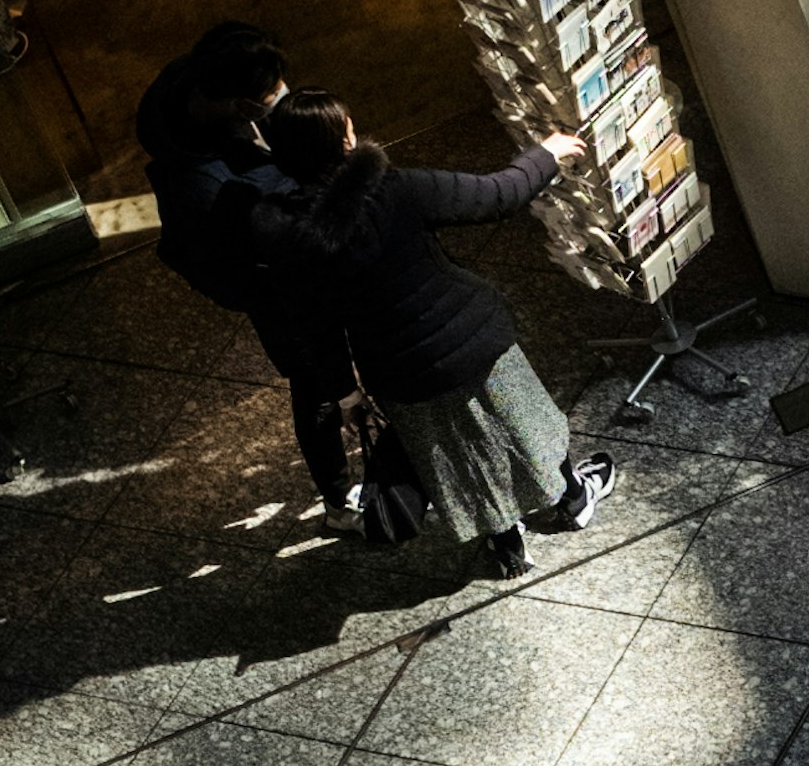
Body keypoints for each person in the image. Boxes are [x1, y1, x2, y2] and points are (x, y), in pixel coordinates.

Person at [250, 98, 613, 567]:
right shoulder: (395, 188)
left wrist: (345, 394)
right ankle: (572, 498)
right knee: (529, 424)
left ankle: (504, 540)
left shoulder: (286, 238)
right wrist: (545, 154)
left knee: (458, 455)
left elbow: (314, 327)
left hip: (398, 369)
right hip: (472, 340)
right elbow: (496, 195)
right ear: (346, 138)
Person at [134, 15, 352, 510]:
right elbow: (240, 263)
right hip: (278, 287)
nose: (281, 103)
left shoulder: (179, 90)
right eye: (271, 99)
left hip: (271, 263)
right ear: (240, 107)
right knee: (314, 381)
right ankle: (339, 495)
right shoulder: (213, 191)